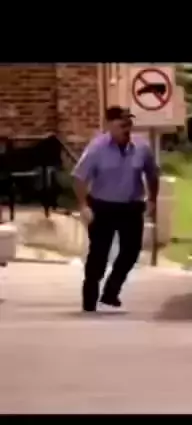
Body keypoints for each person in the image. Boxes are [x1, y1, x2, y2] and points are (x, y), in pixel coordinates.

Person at [72, 106, 159, 312]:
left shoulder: (142, 148)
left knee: (131, 252)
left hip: (131, 206)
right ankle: (90, 298)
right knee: (99, 254)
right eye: (122, 125)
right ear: (109, 125)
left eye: (129, 124)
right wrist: (83, 205)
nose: (126, 129)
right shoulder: (97, 148)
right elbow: (79, 178)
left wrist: (152, 199)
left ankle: (111, 291)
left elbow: (152, 175)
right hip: (103, 207)